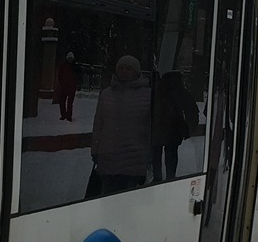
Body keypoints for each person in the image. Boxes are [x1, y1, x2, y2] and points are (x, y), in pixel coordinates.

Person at [87, 54, 152, 197]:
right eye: (121, 68)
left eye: (129, 68)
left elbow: (149, 129)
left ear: (137, 71)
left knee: (129, 204)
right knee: (107, 202)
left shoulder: (148, 95)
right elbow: (98, 124)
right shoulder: (106, 94)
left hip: (134, 160)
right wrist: (95, 150)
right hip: (107, 158)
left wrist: (149, 156)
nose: (124, 71)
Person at [151, 70, 197, 182]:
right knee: (171, 153)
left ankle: (157, 177)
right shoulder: (181, 92)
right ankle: (170, 177)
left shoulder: (158, 90)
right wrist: (190, 128)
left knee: (156, 153)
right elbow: (192, 111)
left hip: (158, 128)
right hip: (174, 129)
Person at [54, 51, 79, 122]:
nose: (70, 59)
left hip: (71, 87)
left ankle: (68, 116)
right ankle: (64, 115)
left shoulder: (74, 66)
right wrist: (62, 83)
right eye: (69, 58)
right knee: (62, 101)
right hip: (65, 87)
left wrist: (75, 84)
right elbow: (60, 76)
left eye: (71, 58)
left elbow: (77, 77)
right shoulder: (64, 66)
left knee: (69, 103)